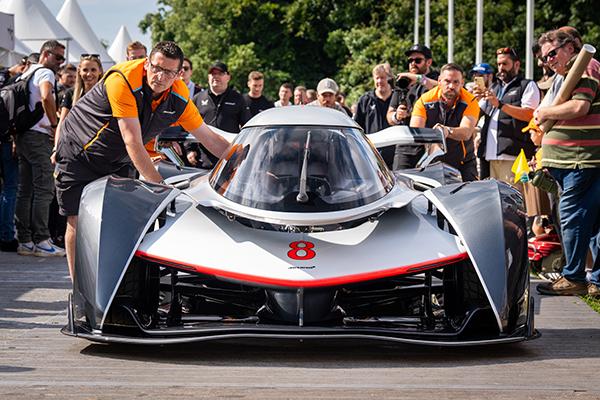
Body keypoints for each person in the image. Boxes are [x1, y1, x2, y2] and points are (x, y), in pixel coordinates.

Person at [55, 41, 231, 281]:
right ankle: (79, 289)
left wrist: (244, 164)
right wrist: (160, 186)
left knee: (121, 220)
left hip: (119, 158)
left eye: (168, 72)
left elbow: (211, 139)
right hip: (78, 151)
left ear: (179, 74)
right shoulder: (123, 80)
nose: (159, 76)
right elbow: (133, 141)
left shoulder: (179, 96)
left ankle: (119, 284)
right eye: (156, 67)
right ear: (147, 63)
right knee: (77, 219)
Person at [533, 29, 600, 297]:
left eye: (552, 54)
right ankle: (595, 280)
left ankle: (574, 277)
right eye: (544, 58)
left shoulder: (585, 64)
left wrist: (543, 112)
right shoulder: (568, 73)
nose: (548, 61)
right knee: (592, 222)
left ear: (571, 47)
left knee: (573, 218)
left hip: (580, 161)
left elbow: (579, 107)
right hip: (576, 161)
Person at [14, 40, 65, 257]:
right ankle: (42, 240)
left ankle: (25, 240)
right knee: (44, 189)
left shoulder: (25, 73)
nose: (61, 63)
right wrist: (54, 124)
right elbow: (46, 96)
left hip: (23, 135)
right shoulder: (45, 73)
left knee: (24, 190)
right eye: (58, 57)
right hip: (39, 135)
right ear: (45, 54)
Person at [49, 55, 105, 249]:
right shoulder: (71, 94)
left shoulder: (106, 94)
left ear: (100, 72)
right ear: (79, 72)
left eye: (93, 70)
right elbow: (61, 124)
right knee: (73, 215)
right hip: (72, 156)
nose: (89, 74)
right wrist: (57, 148)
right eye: (85, 70)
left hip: (98, 159)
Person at [476, 47, 540, 186]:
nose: (501, 68)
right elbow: (477, 117)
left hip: (514, 157)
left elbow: (530, 115)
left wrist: (499, 104)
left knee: (515, 202)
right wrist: (475, 100)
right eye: (499, 64)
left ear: (516, 64)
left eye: (505, 64)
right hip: (490, 156)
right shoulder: (495, 87)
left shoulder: (527, 85)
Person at [410, 63, 480, 181]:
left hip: (463, 161)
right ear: (439, 81)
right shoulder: (424, 100)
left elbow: (467, 132)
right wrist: (433, 138)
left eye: (456, 82)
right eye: (447, 81)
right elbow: (415, 130)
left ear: (462, 83)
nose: (451, 86)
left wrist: (446, 131)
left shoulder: (470, 101)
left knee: (470, 197)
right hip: (432, 161)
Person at [189, 61, 251, 167]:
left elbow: (247, 127)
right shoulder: (198, 98)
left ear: (228, 77)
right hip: (202, 160)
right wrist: (189, 149)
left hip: (229, 160)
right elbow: (188, 126)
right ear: (208, 77)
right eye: (213, 74)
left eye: (220, 74)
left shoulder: (238, 98)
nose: (216, 77)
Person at [388, 44, 439, 169]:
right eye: (410, 60)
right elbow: (389, 114)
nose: (412, 64)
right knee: (401, 185)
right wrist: (396, 116)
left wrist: (417, 78)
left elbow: (443, 89)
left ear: (429, 62)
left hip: (429, 145)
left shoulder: (436, 78)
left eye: (417, 60)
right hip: (405, 146)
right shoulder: (403, 82)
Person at [354, 63, 394, 167]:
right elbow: (358, 127)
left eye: (383, 78)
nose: (379, 81)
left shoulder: (397, 98)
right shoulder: (365, 100)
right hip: (372, 153)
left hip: (395, 153)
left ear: (389, 78)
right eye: (377, 78)